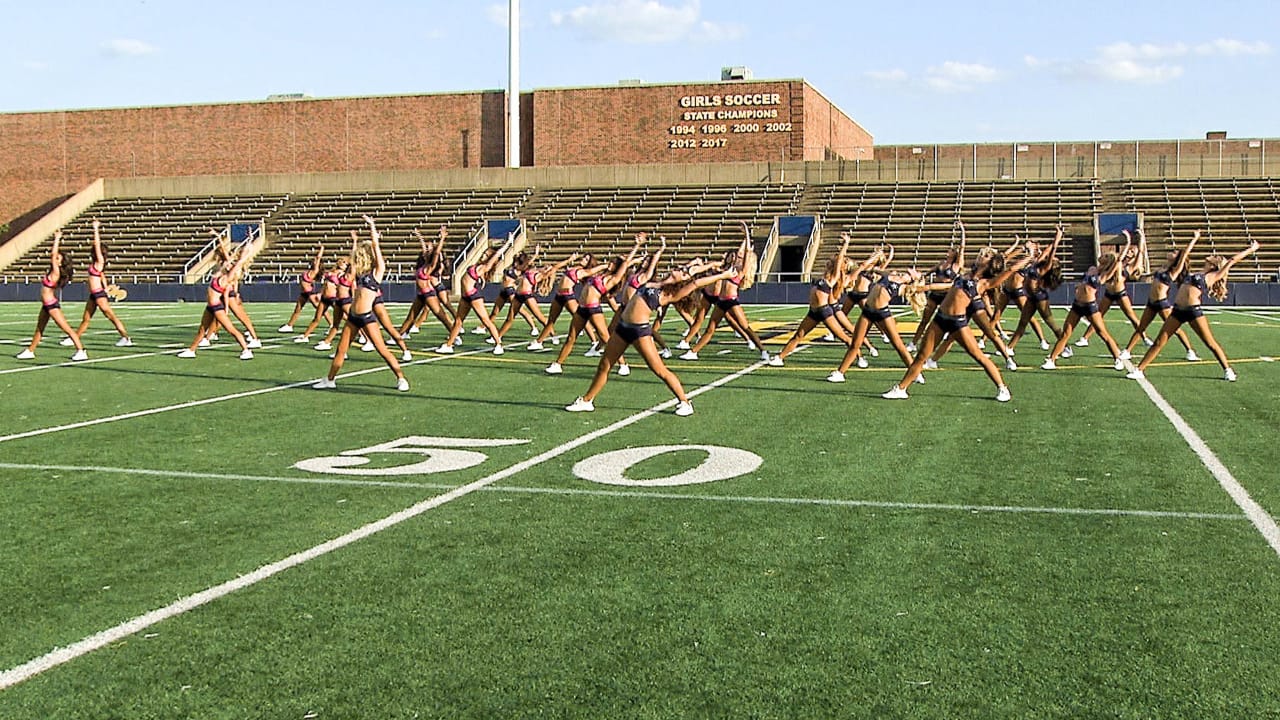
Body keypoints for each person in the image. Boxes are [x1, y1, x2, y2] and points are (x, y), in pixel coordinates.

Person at [565, 252, 736, 417]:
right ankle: (587, 401)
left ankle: (685, 402)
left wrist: (724, 274)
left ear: (683, 281)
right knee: (604, 365)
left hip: (640, 332)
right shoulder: (656, 282)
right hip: (622, 328)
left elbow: (697, 283)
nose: (678, 270)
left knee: (659, 370)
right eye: (680, 269)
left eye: (682, 272)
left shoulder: (671, 294)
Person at [881, 247, 1031, 402]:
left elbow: (1012, 268)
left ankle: (1002, 388)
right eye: (982, 253)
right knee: (921, 356)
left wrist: (1030, 256)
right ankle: (901, 389)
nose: (981, 255)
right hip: (940, 319)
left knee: (979, 356)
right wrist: (925, 287)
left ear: (990, 264)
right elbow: (948, 287)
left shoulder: (984, 283)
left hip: (957, 323)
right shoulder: (965, 274)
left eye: (986, 256)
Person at [1127, 239, 1261, 381]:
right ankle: (1139, 370)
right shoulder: (1195, 273)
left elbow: (1232, 260)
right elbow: (1183, 259)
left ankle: (1228, 370)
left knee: (1210, 343)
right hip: (1178, 311)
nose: (1212, 255)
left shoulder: (1213, 276)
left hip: (1193, 311)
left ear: (1215, 265)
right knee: (1160, 341)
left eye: (1216, 257)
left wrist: (1251, 249)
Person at [313, 217, 410, 391]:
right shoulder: (359, 272)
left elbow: (375, 246)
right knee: (341, 349)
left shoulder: (377, 273)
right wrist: (355, 242)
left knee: (382, 349)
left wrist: (372, 226)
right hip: (352, 317)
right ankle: (330, 379)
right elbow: (353, 258)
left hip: (366, 317)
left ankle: (401, 378)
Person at [546, 236, 643, 375]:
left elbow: (626, 264)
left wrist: (636, 245)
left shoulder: (612, 279)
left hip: (593, 309)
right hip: (582, 308)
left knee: (606, 338)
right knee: (571, 337)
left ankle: (623, 364)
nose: (610, 263)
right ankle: (558, 364)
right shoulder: (600, 274)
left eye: (613, 263)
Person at [767, 237, 866, 367]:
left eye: (833, 262)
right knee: (798, 335)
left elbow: (840, 259)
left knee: (844, 338)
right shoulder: (824, 277)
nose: (830, 262)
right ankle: (780, 358)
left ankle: (860, 358)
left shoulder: (833, 278)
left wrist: (845, 244)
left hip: (825, 311)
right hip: (813, 312)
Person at [679, 222, 771, 363]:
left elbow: (745, 253)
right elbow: (740, 252)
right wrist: (743, 236)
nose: (738, 256)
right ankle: (693, 352)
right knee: (710, 329)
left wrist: (746, 233)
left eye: (741, 257)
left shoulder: (741, 270)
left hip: (732, 301)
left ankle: (763, 350)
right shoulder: (731, 267)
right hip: (721, 302)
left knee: (746, 327)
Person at [1039, 241, 1131, 372]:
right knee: (1066, 333)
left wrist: (1127, 243)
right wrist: (1079, 287)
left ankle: (1117, 358)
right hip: (1077, 304)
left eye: (1105, 256)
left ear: (1108, 261)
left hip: (1090, 307)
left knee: (1102, 333)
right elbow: (1084, 282)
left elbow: (1119, 261)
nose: (1102, 256)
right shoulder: (1092, 269)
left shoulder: (1104, 275)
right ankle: (1052, 360)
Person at [827, 266, 925, 383]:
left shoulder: (904, 287)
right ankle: (840, 373)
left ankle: (915, 373)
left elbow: (929, 287)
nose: (915, 270)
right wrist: (873, 261)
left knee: (899, 346)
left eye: (918, 273)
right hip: (867, 311)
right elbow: (875, 269)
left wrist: (949, 286)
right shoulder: (890, 274)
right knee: (855, 344)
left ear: (914, 279)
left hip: (882, 314)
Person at [177, 232, 263, 359]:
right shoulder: (220, 273)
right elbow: (225, 254)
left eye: (229, 264)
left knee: (231, 329)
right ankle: (191, 350)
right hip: (210, 307)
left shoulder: (227, 278)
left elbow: (239, 262)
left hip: (217, 307)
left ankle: (246, 350)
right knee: (202, 329)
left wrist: (248, 249)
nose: (228, 262)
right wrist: (218, 236)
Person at [1122, 231, 1200, 361]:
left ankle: (1190, 350)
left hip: (1162, 303)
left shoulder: (1174, 271)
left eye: (1175, 253)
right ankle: (1127, 351)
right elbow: (1149, 274)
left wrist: (1194, 239)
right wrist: (1141, 275)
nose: (1172, 252)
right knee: (1141, 327)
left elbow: (1185, 253)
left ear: (1177, 259)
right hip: (1151, 302)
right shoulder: (1162, 268)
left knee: (1174, 329)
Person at [435, 233, 516, 354]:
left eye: (486, 254)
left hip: (474, 297)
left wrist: (508, 243)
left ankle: (499, 344)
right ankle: (448, 345)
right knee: (458, 321)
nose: (483, 255)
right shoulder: (478, 266)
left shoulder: (485, 267)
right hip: (465, 297)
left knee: (486, 321)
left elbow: (498, 254)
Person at [16, 230, 88, 361]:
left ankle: (81, 350)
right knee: (39, 328)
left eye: (58, 259)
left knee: (66, 328)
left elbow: (53, 254)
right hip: (46, 305)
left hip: (51, 305)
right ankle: (30, 350)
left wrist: (57, 238)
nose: (55, 259)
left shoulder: (56, 272)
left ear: (60, 263)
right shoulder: (53, 271)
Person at [1076, 230, 1151, 350]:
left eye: (1132, 252)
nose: (1129, 253)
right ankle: (1085, 338)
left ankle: (1145, 337)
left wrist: (1140, 238)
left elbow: (1140, 252)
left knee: (1131, 316)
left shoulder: (1130, 267)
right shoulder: (1115, 262)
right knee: (1098, 315)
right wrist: (1128, 243)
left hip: (1121, 294)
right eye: (1129, 250)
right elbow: (1113, 259)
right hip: (1109, 293)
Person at [68, 218, 132, 348]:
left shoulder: (100, 261)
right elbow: (102, 275)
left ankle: (125, 337)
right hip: (94, 294)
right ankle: (74, 338)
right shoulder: (96, 265)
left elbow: (97, 245)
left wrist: (95, 229)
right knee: (86, 319)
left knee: (111, 316)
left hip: (98, 294)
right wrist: (106, 285)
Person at [909, 223, 965, 353]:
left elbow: (962, 247)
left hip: (947, 295)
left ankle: (936, 346)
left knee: (944, 322)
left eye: (951, 250)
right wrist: (920, 278)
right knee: (925, 320)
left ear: (955, 253)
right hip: (935, 294)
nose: (948, 251)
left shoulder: (957, 265)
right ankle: (913, 343)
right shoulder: (941, 263)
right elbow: (929, 272)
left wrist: (962, 230)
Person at [505, 248, 577, 349]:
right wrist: (536, 254)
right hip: (519, 294)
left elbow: (556, 267)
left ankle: (553, 335)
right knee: (512, 316)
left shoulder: (541, 275)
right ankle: (498, 337)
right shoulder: (533, 270)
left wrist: (569, 260)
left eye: (547, 268)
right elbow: (527, 263)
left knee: (540, 317)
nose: (546, 267)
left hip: (527, 295)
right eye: (546, 266)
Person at [400, 227, 457, 342]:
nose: (425, 251)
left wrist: (442, 239)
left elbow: (436, 253)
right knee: (411, 316)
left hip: (428, 294)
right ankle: (401, 334)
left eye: (428, 251)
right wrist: (418, 236)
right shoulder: (424, 264)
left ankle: (455, 336)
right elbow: (424, 247)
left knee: (441, 316)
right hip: (421, 294)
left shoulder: (429, 267)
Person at [279, 244, 325, 333]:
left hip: (310, 293)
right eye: (314, 260)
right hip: (304, 293)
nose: (314, 261)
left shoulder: (315, 271)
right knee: (297, 309)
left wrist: (321, 248)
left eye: (315, 261)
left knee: (321, 309)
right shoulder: (309, 271)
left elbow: (318, 257)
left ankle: (331, 324)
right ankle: (290, 325)